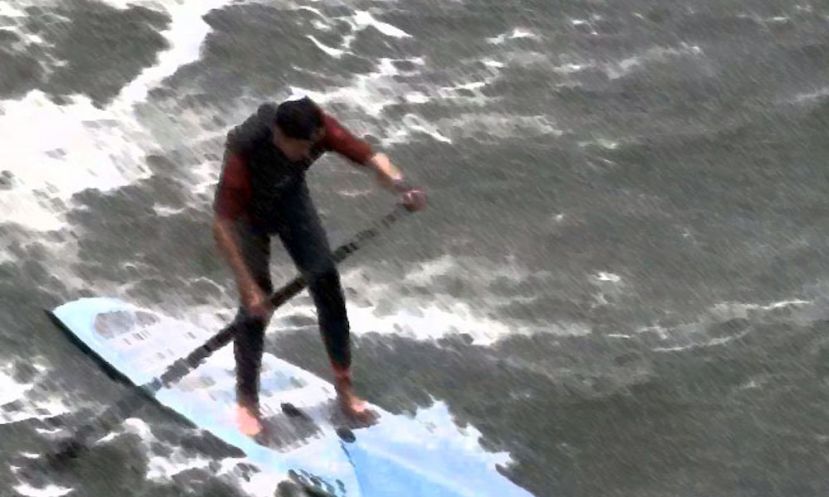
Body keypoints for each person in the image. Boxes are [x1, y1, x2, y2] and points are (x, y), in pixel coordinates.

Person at [212, 96, 427, 436]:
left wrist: (403, 186)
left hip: (289, 199)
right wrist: (248, 287)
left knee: (326, 281)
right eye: (297, 148)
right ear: (278, 135)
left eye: (309, 146)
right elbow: (221, 225)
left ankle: (344, 389)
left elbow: (369, 156)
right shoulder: (245, 149)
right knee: (257, 302)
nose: (305, 154)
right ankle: (247, 402)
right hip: (245, 215)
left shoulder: (318, 128)